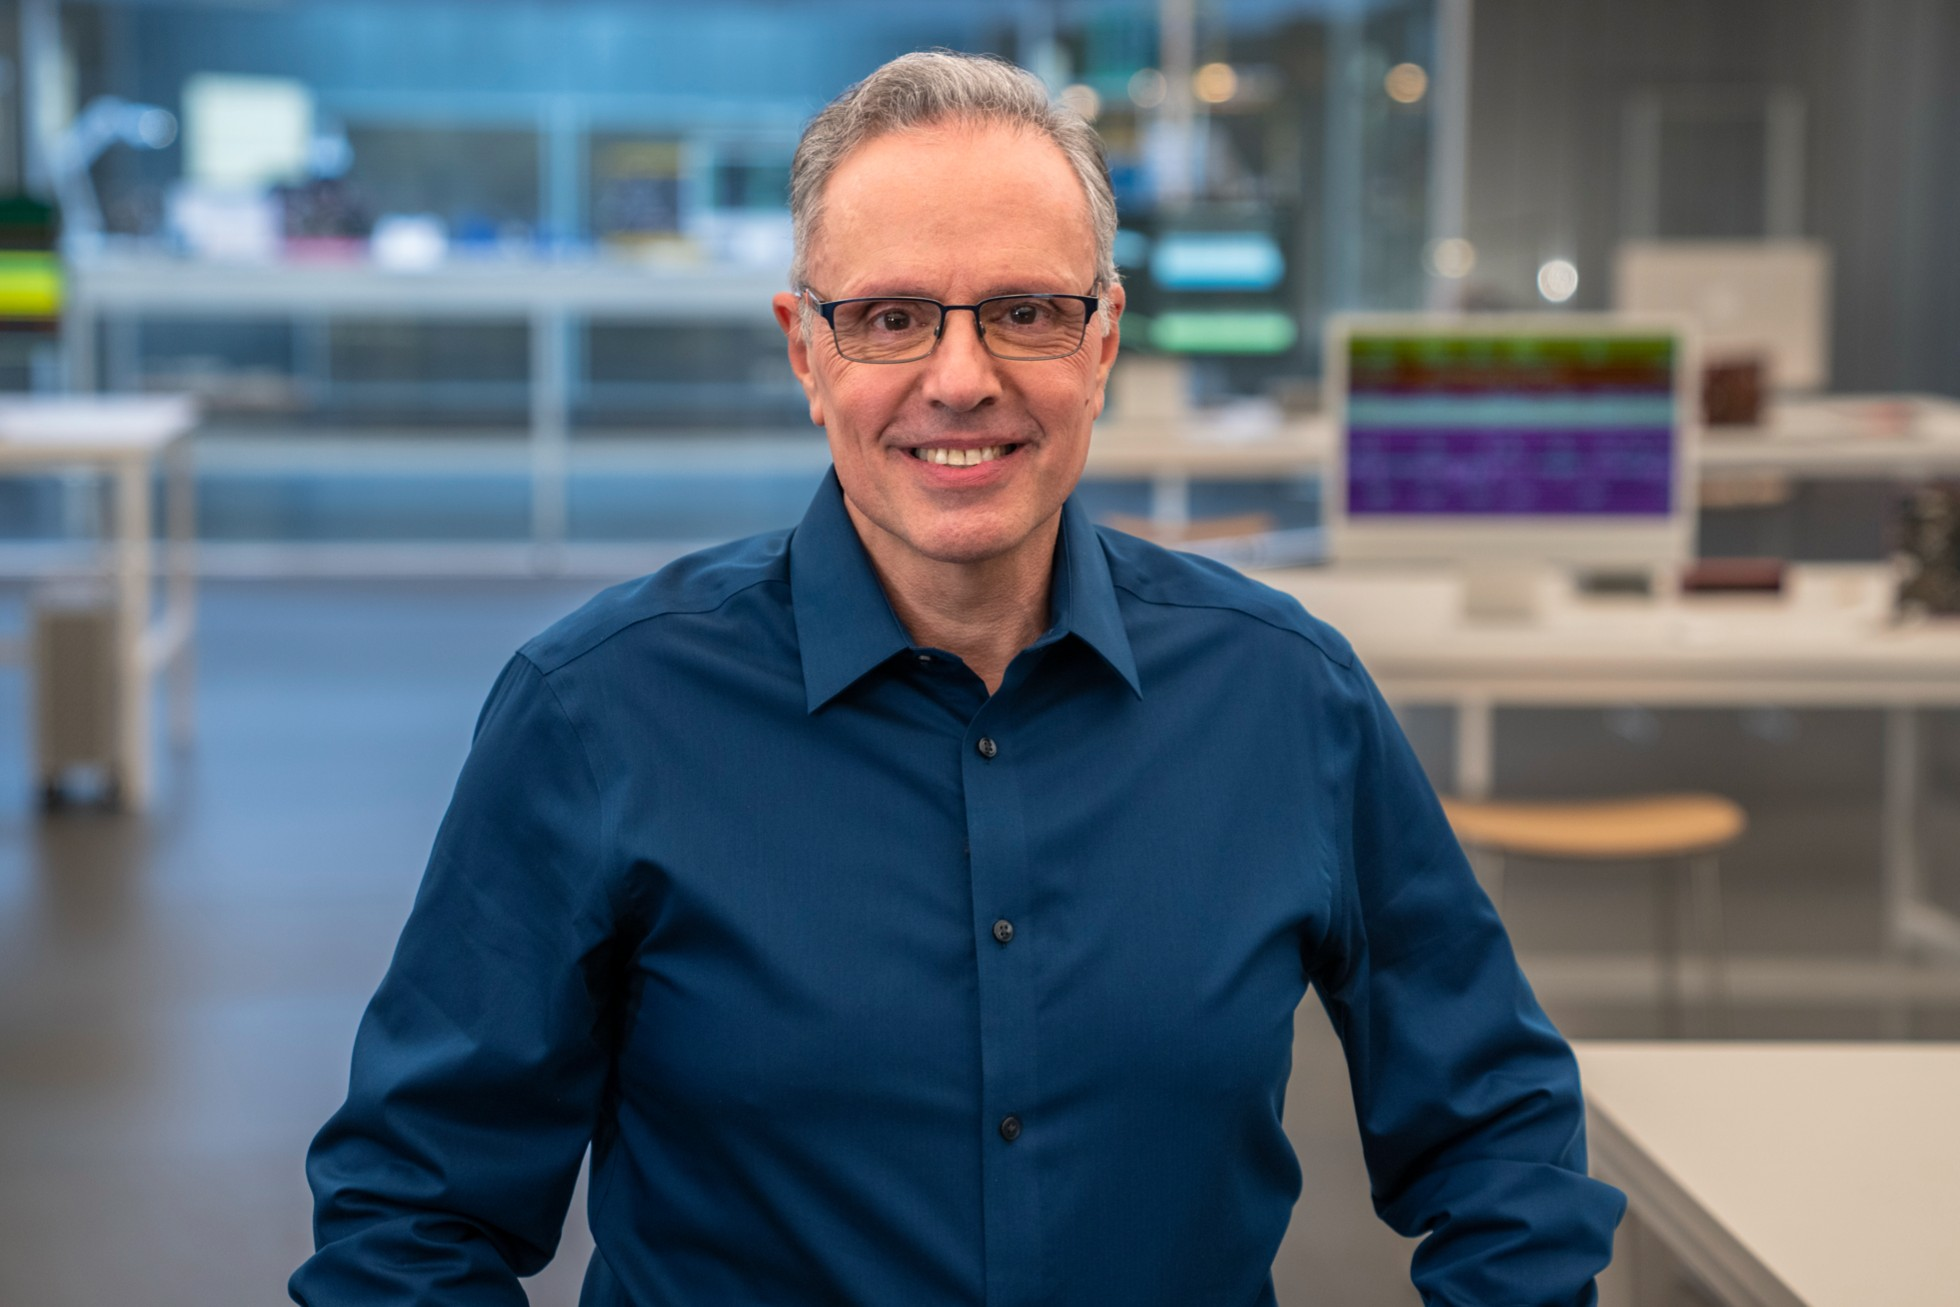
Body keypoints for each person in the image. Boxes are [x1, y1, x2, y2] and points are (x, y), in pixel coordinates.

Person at [292, 51, 1624, 1307]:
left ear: (1102, 340)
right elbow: (414, 1215)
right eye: (889, 317)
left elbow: (1498, 1130)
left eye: (1027, 312)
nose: (961, 378)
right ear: (806, 351)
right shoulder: (600, 712)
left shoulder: (1285, 699)